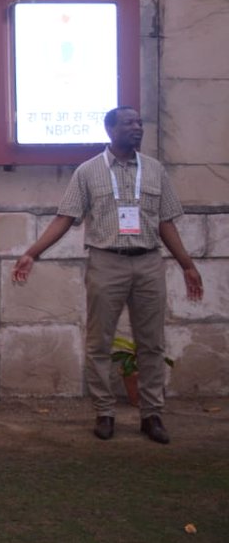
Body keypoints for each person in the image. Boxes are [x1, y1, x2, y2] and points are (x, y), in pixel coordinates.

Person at [12, 107, 203, 444]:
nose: (137, 128)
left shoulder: (155, 170)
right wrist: (32, 252)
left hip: (148, 262)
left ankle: (152, 414)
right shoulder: (88, 172)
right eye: (129, 123)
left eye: (139, 123)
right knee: (100, 342)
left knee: (152, 343)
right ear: (110, 129)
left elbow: (166, 223)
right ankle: (104, 412)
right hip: (106, 262)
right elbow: (65, 218)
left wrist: (187, 263)